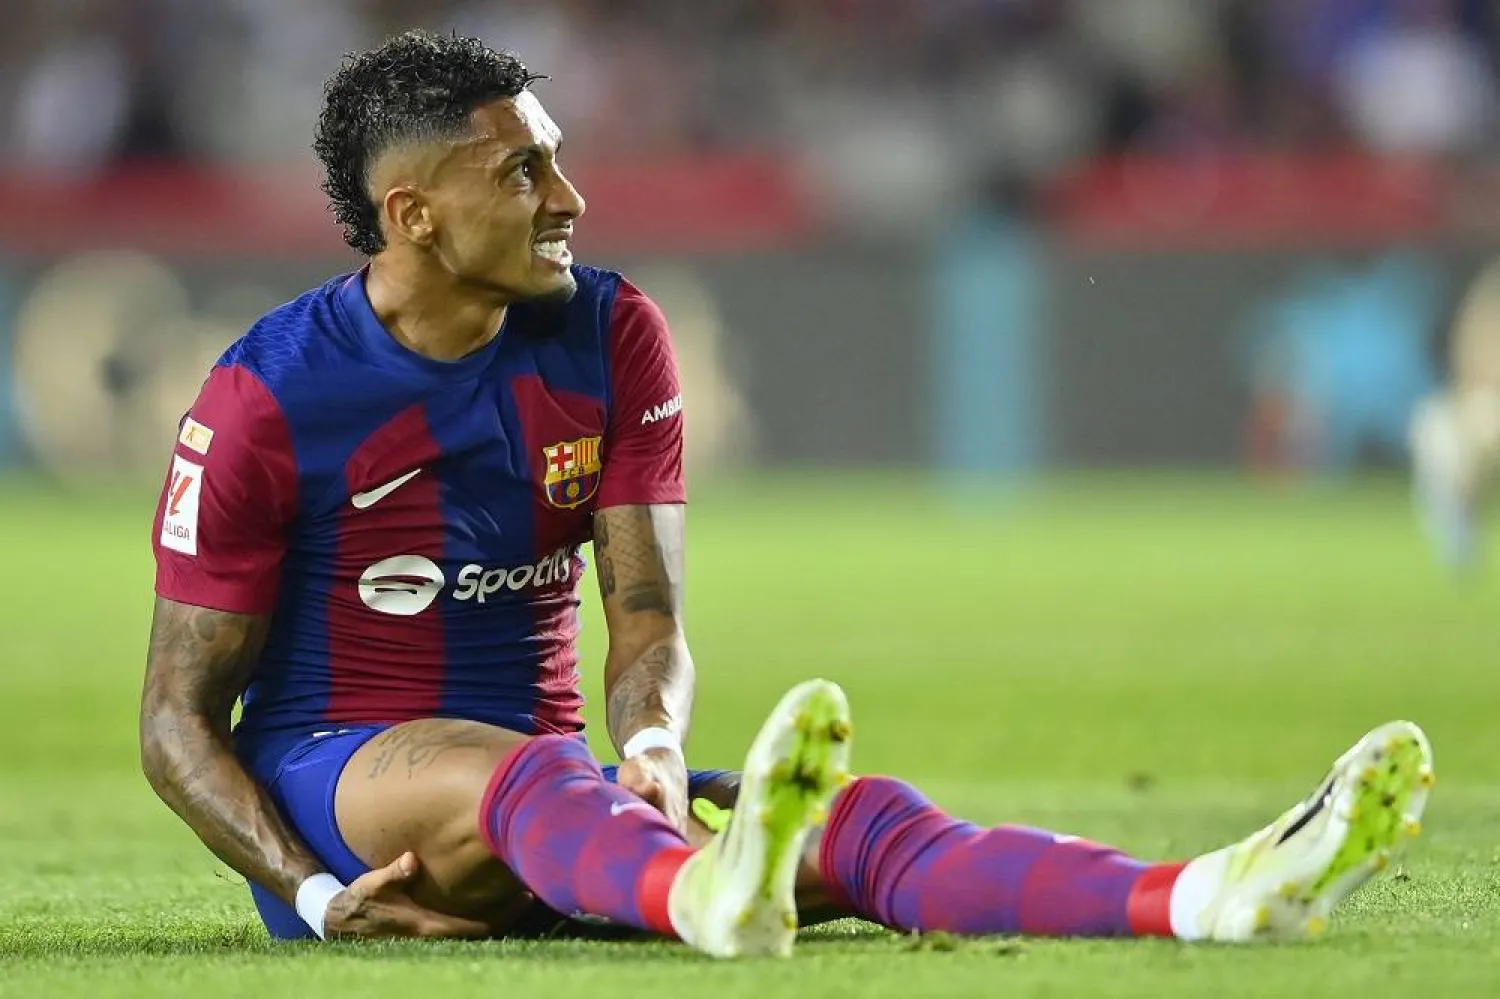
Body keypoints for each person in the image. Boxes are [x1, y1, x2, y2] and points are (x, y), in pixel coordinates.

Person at [141, 30, 1434, 954]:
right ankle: (702, 891)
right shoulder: (268, 396)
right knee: (521, 775)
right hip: (345, 791)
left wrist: (650, 747)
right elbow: (175, 723)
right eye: (521, 172)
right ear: (414, 214)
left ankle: (1207, 895)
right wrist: (312, 896)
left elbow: (646, 614)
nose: (569, 198)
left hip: (570, 802)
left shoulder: (611, 333)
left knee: (858, 824)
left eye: (557, 159)